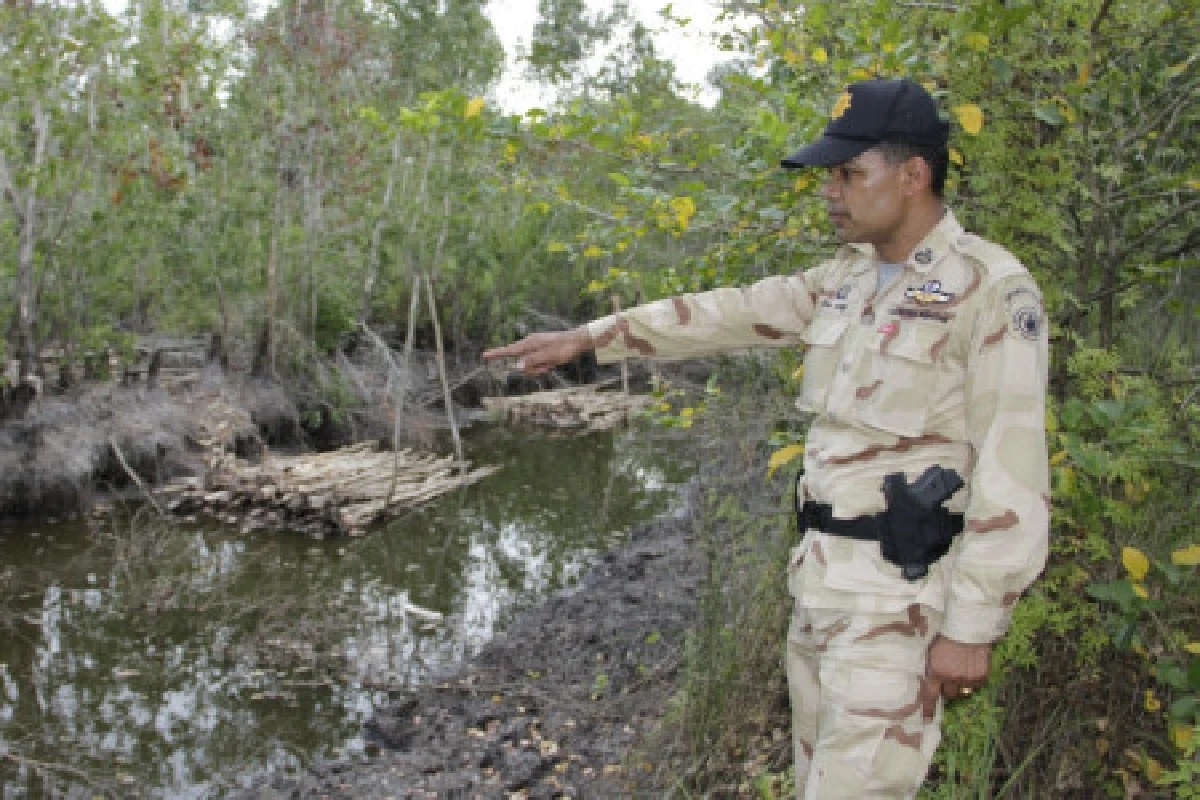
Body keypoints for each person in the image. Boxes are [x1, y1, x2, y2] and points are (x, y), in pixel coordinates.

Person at [483, 77, 1049, 799]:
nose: (831, 192)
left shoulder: (990, 290)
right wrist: (590, 338)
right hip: (818, 591)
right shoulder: (846, 279)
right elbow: (730, 312)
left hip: (899, 609)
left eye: (849, 174)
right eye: (830, 175)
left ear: (914, 176)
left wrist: (974, 624)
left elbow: (1015, 467)